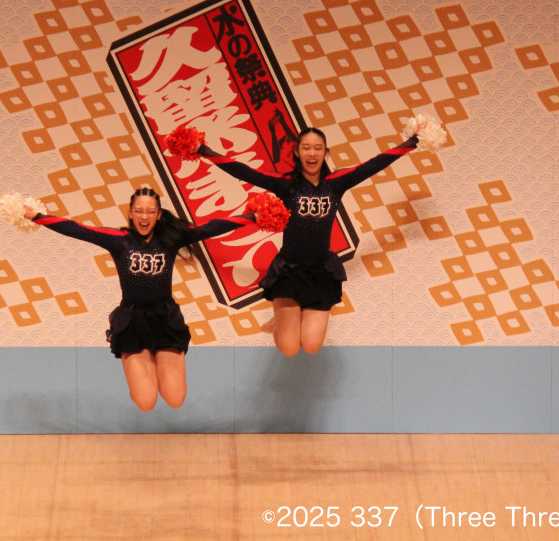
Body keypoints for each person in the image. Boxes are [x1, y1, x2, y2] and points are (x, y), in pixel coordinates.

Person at [23, 187, 257, 411]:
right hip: (133, 323)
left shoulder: (171, 239)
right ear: (130, 213)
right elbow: (77, 229)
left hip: (166, 321)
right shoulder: (118, 239)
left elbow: (211, 228)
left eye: (150, 211)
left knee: (175, 399)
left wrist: (252, 216)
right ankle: (144, 364)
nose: (144, 217)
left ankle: (159, 362)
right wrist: (37, 217)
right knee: (146, 402)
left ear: (158, 214)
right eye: (139, 211)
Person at [197, 127, 420, 356]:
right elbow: (244, 172)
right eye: (306, 148)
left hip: (321, 272)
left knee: (311, 346)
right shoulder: (285, 184)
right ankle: (279, 324)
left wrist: (413, 141)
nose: (312, 153)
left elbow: (374, 164)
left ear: (325, 153)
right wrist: (203, 150)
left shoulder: (335, 182)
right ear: (297, 152)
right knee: (290, 349)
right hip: (289, 271)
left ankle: (284, 322)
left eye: (317, 148)